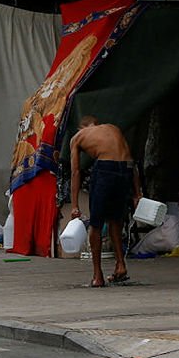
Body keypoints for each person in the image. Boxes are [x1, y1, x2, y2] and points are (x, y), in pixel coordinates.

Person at [69, 116, 141, 288]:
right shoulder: (113, 127)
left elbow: (76, 172)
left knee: (96, 222)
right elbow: (132, 163)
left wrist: (74, 206)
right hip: (125, 170)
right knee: (115, 220)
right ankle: (121, 265)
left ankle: (97, 275)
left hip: (105, 169)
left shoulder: (78, 137)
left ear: (82, 127)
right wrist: (137, 194)